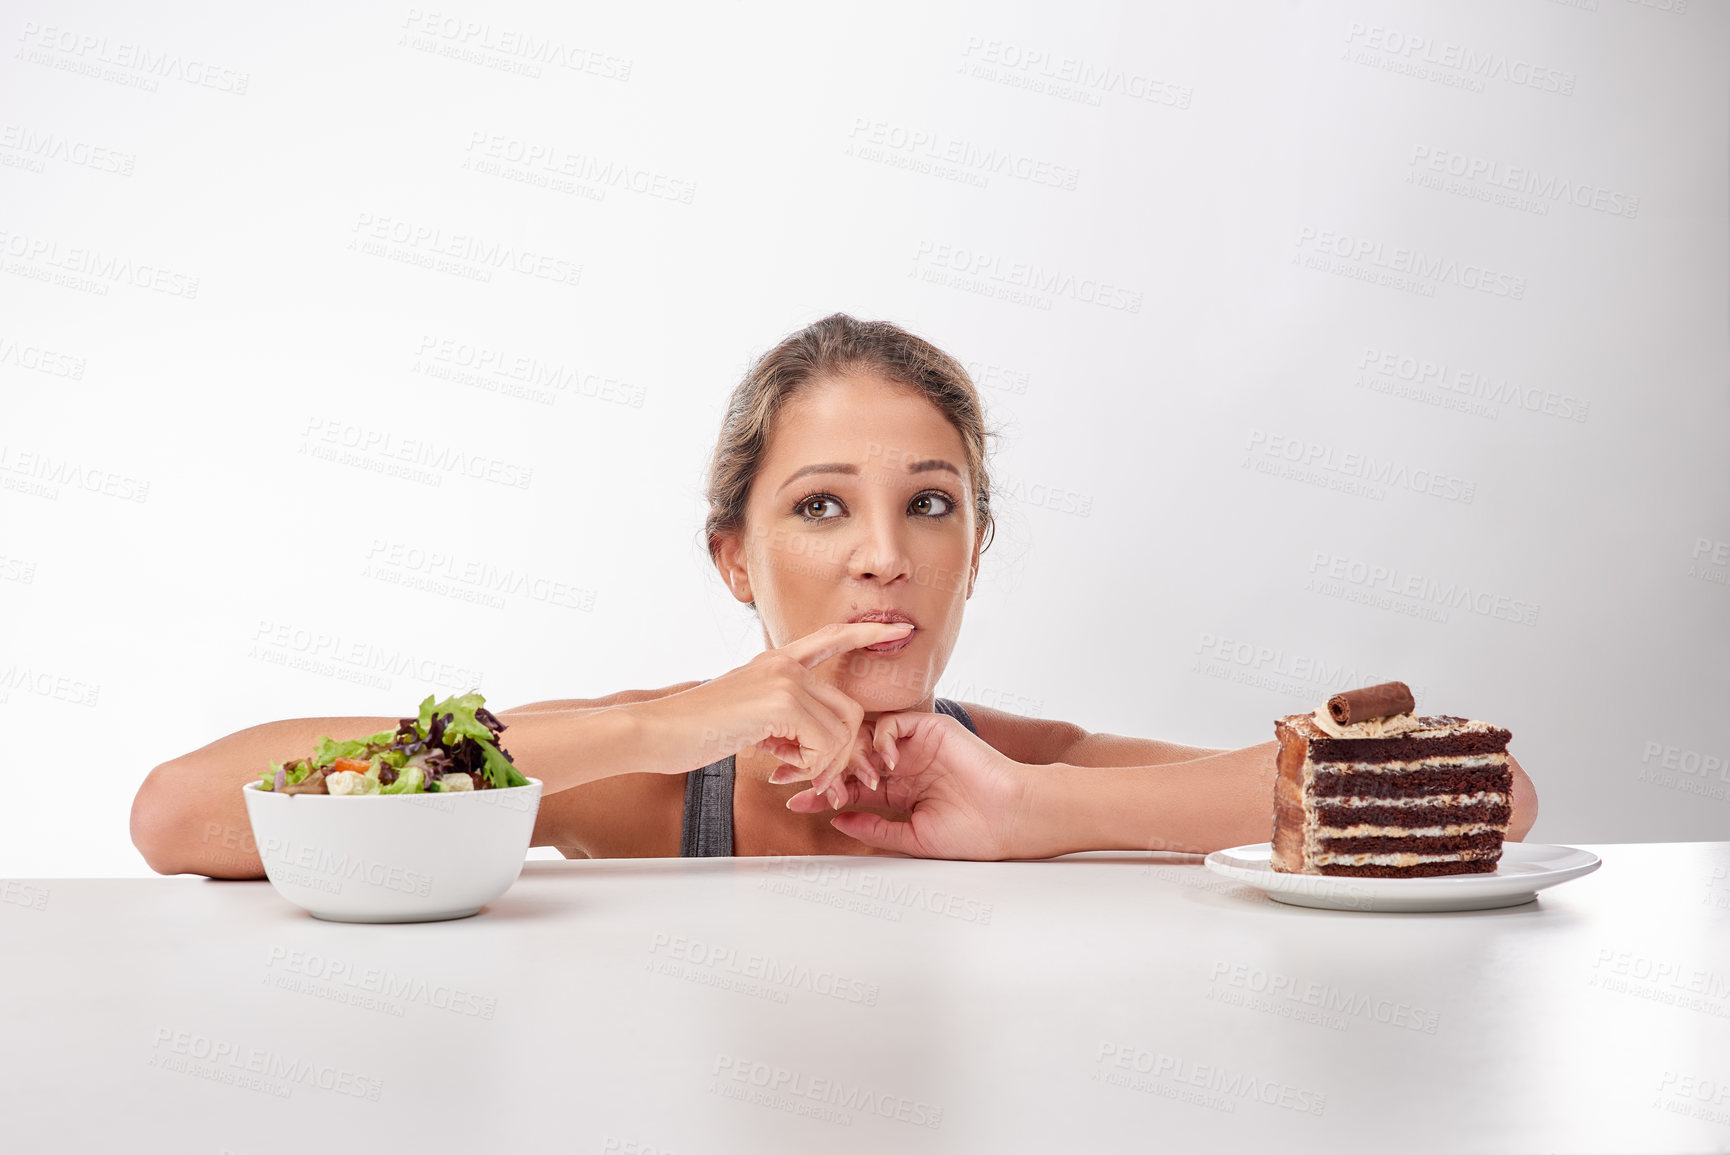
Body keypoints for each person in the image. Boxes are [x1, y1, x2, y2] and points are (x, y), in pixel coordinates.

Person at [130, 313, 1538, 877]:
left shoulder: (1022, 764)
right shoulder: (642, 776)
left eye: (929, 505)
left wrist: (1043, 815)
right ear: (734, 559)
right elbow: (182, 814)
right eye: (820, 508)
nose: (882, 555)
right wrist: (646, 726)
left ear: (975, 549)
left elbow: (1499, 805)